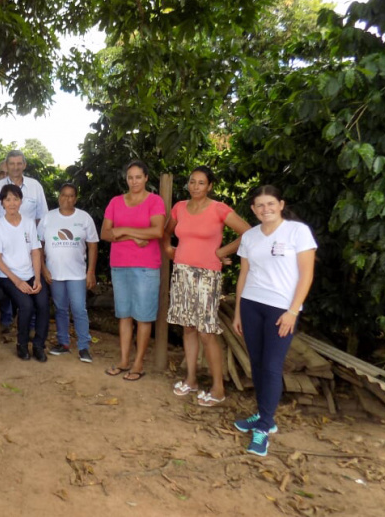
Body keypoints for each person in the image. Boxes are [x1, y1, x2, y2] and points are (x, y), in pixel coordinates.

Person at [232, 185, 316, 457]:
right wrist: (237, 311)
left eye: (270, 204)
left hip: (281, 309)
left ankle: (264, 428)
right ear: (254, 210)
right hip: (251, 304)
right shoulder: (250, 236)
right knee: (256, 363)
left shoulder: (297, 232)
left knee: (271, 366)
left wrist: (293, 311)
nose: (265, 209)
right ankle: (263, 415)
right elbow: (244, 274)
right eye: (259, 205)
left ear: (281, 204)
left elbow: (306, 274)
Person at [164, 166, 251, 406]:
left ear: (209, 186)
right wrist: (168, 249)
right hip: (181, 272)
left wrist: (223, 250)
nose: (195, 186)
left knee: (206, 332)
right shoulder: (180, 207)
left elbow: (248, 232)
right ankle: (190, 380)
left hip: (207, 275)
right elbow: (167, 232)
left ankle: (218, 389)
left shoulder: (219, 209)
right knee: (188, 328)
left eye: (201, 183)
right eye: (192, 182)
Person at [101, 160, 165, 381]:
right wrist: (134, 235)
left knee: (144, 316)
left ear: (146, 178)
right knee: (124, 315)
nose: (134, 181)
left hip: (146, 267)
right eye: (130, 177)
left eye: (138, 176)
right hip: (120, 265)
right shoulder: (116, 202)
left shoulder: (155, 201)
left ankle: (138, 364)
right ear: (126, 179)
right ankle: (124, 360)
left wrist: (123, 231)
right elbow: (106, 234)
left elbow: (157, 231)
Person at [0, 150, 49, 334]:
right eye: (11, 163)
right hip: (3, 246)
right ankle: (6, 322)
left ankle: (32, 325)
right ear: (7, 165)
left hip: (30, 246)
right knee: (6, 283)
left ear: (24, 165)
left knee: (34, 287)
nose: (15, 167)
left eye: (19, 163)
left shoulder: (36, 187)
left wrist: (39, 246)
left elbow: (41, 218)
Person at [38, 183, 99, 363]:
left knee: (79, 309)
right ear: (59, 197)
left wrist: (91, 272)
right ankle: (63, 343)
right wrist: (43, 268)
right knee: (60, 309)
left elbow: (93, 245)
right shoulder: (48, 218)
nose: (67, 199)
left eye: (71, 195)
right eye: (64, 195)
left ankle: (83, 346)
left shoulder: (84, 218)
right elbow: (38, 245)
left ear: (76, 198)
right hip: (54, 274)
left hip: (77, 274)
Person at [0, 184, 50, 362]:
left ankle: (39, 345)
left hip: (30, 273)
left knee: (43, 304)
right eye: (8, 199)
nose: (12, 203)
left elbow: (35, 251)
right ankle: (22, 344)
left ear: (21, 201)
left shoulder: (29, 223)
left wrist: (37, 278)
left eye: (15, 199)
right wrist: (17, 281)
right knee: (26, 305)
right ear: (2, 203)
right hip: (8, 276)